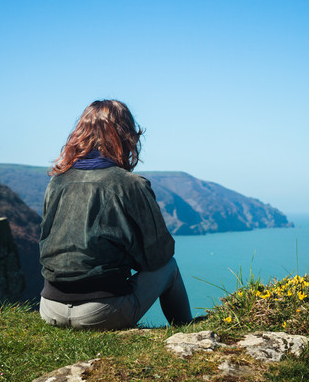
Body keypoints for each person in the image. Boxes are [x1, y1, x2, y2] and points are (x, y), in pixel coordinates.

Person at [38, 99, 193, 329]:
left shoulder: (57, 181)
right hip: (99, 313)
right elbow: (158, 255)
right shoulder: (131, 184)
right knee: (169, 267)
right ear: (126, 135)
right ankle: (186, 329)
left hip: (49, 307)